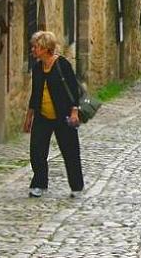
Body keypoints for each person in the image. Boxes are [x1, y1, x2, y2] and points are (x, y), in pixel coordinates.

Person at [24, 31, 85, 198]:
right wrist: (29, 116)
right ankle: (39, 184)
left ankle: (76, 187)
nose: (33, 50)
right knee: (37, 151)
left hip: (63, 115)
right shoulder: (37, 68)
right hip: (42, 115)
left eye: (36, 47)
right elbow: (35, 93)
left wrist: (74, 112)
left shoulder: (62, 64)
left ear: (45, 48)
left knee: (70, 151)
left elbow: (73, 89)